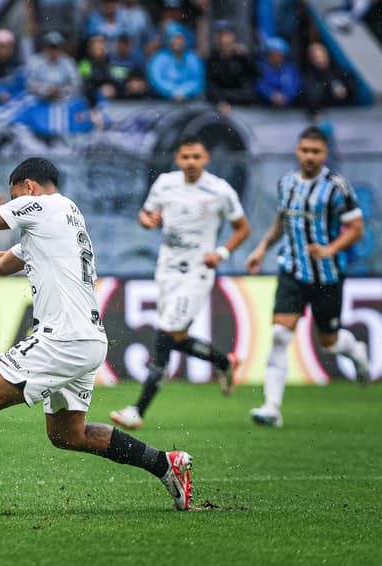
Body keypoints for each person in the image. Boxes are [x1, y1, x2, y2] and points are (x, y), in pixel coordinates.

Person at [0, 157, 193, 516]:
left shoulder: (44, 205)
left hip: (62, 338)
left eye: (13, 198)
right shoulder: (60, 221)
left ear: (28, 187)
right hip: (87, 339)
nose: (12, 207)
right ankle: (165, 464)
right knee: (68, 434)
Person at [109, 136, 250, 430]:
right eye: (185, 157)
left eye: (196, 157)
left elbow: (242, 228)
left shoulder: (220, 190)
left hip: (197, 273)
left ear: (206, 158)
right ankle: (224, 362)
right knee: (177, 337)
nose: (191, 162)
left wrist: (221, 253)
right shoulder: (165, 183)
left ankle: (137, 410)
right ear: (177, 157)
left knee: (166, 334)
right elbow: (146, 214)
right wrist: (148, 221)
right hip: (167, 270)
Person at [246, 127, 371, 428]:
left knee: (329, 342)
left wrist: (330, 249)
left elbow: (356, 230)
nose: (309, 157)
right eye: (304, 150)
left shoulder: (337, 187)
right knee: (279, 335)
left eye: (315, 151)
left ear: (325, 154)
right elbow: (282, 220)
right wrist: (262, 248)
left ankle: (355, 350)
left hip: (326, 276)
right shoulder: (286, 183)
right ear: (297, 151)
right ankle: (272, 408)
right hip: (292, 270)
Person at [205, 20, 256, 115]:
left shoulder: (243, 58)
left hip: (244, 110)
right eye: (219, 36)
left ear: (233, 37)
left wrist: (225, 98)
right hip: (218, 109)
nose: (223, 40)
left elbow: (249, 92)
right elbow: (210, 87)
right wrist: (220, 101)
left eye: (226, 35)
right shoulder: (212, 59)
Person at [146, 23, 204, 102]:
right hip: (162, 103)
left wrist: (183, 92)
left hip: (189, 103)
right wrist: (173, 92)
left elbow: (198, 81)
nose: (177, 41)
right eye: (174, 37)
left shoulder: (193, 58)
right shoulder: (158, 58)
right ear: (168, 39)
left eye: (180, 38)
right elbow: (156, 80)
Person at [256, 37, 300, 108]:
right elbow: (259, 84)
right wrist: (271, 94)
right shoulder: (261, 67)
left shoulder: (290, 69)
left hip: (288, 109)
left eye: (279, 54)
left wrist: (285, 96)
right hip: (265, 108)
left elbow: (295, 85)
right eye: (273, 54)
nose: (276, 57)